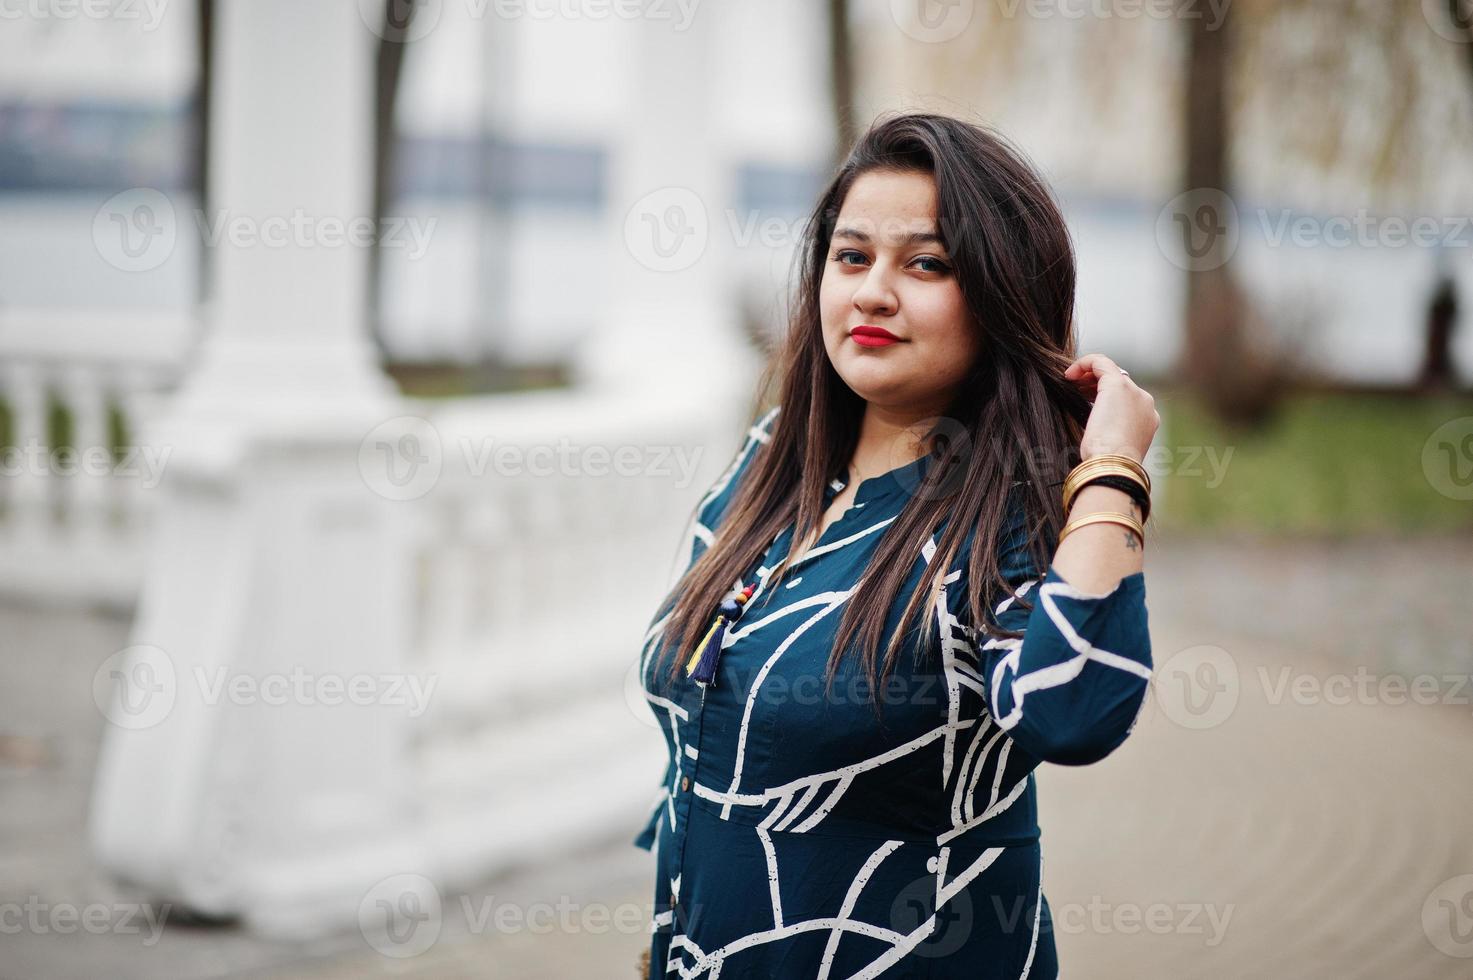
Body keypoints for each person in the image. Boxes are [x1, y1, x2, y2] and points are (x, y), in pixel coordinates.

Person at [633, 112, 1158, 979]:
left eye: (926, 263)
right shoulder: (771, 462)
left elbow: (1072, 712)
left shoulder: (1007, 514)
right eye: (851, 256)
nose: (873, 291)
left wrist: (1109, 472)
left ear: (999, 293)